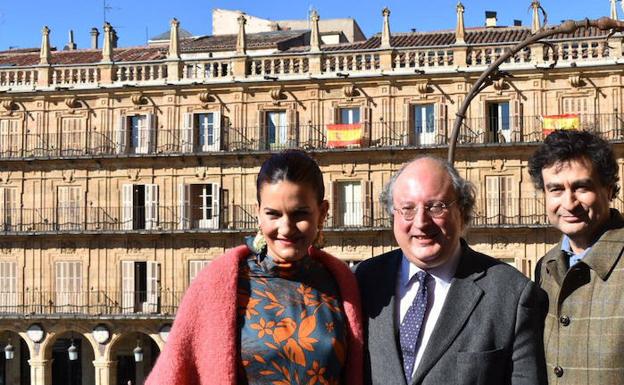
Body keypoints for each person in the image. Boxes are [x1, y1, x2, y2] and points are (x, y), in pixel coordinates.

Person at [146, 150, 364, 385]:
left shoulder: (342, 286)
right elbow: (175, 373)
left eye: (300, 214)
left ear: (322, 213)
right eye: (273, 214)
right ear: (258, 213)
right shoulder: (218, 285)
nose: (286, 228)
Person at [355, 155, 547, 385]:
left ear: (462, 212)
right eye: (407, 208)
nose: (421, 222)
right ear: (393, 215)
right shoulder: (361, 281)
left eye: (436, 207)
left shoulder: (513, 294)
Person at [528, 129, 624, 384]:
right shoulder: (545, 268)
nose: (569, 203)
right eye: (555, 189)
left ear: (610, 190)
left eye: (581, 187)